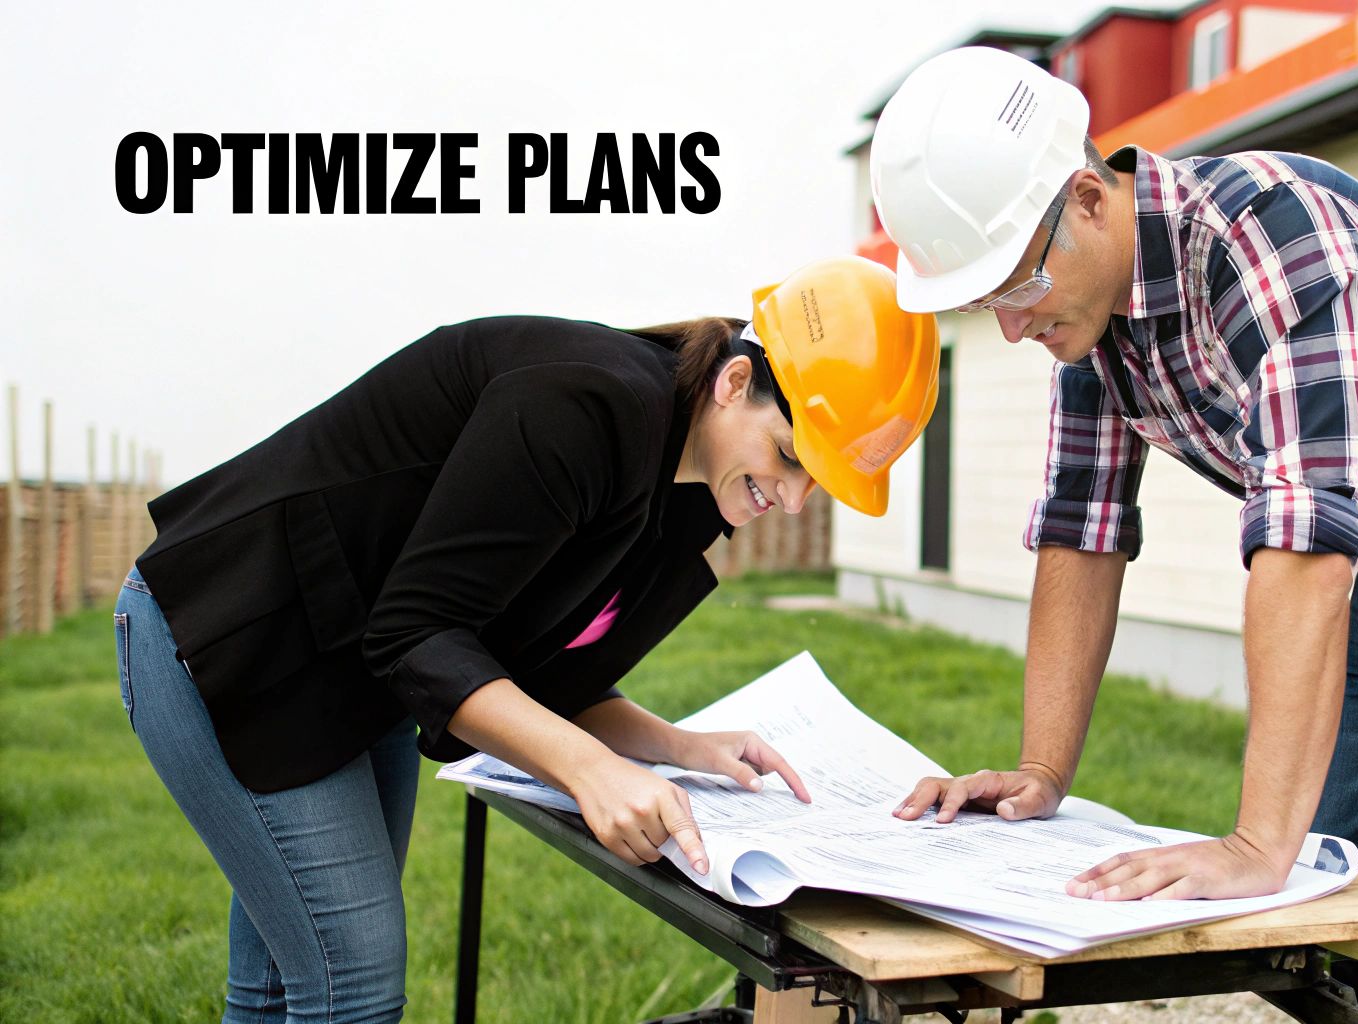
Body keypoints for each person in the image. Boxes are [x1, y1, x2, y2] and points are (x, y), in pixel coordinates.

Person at [871, 47, 1358, 1023]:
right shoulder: (1090, 325)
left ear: (1084, 197)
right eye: (985, 300)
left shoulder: (1266, 231)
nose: (1011, 327)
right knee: (1327, 900)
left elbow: (1302, 540)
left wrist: (1250, 842)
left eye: (1015, 286)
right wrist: (1039, 773)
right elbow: (1081, 533)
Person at [113, 255, 939, 1024]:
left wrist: (675, 746)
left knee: (279, 988)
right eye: (791, 457)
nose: (792, 500)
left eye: (816, 482)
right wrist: (591, 772)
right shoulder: (584, 407)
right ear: (733, 383)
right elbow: (418, 633)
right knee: (350, 977)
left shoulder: (685, 485)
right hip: (233, 635)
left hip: (354, 670)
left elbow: (533, 669)